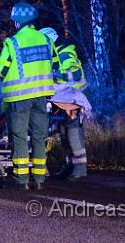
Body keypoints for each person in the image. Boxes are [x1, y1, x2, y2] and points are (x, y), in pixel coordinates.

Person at [0, 2, 57, 190]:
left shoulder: (12, 42)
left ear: (18, 22)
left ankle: (21, 179)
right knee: (39, 136)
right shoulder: (46, 40)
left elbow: (1, 70)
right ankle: (39, 179)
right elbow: (56, 66)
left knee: (19, 137)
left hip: (19, 98)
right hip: (42, 97)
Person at [40, 27, 89, 181]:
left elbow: (75, 74)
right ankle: (70, 167)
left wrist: (55, 75)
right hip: (62, 100)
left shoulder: (65, 53)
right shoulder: (54, 54)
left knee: (73, 134)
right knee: (64, 135)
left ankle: (80, 170)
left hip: (73, 101)